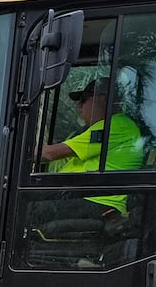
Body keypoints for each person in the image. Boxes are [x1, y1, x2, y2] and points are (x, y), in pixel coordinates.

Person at [38, 76, 144, 220]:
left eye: (83, 100)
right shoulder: (106, 128)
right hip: (82, 197)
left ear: (103, 99)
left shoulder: (115, 125)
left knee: (24, 210)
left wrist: (6, 153)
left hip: (96, 201)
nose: (78, 106)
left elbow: (49, 154)